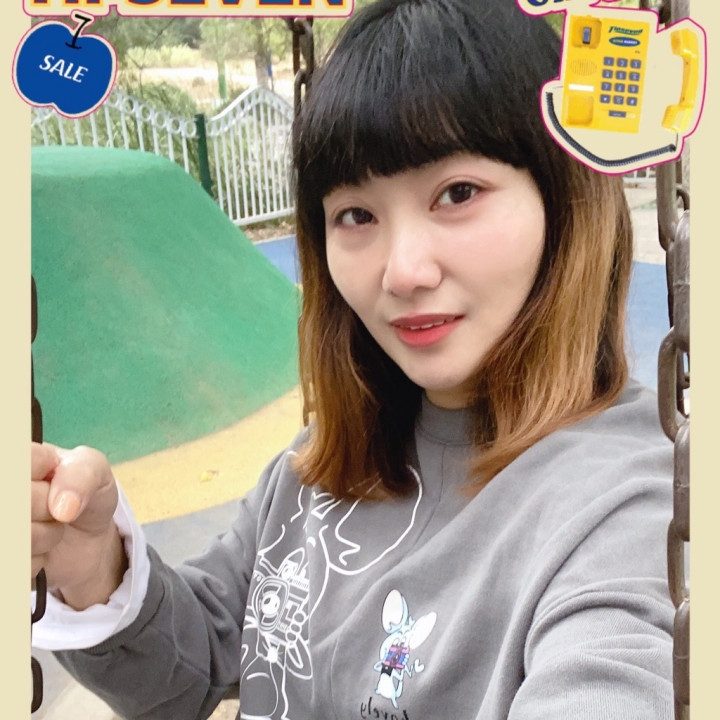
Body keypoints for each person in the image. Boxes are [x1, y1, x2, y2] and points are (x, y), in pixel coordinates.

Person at [31, 0, 675, 718]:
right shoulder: (315, 471)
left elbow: (614, 673)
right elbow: (191, 665)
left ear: (564, 200)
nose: (402, 272)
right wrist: (93, 569)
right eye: (356, 215)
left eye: (457, 193)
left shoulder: (627, 506)